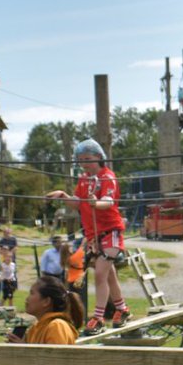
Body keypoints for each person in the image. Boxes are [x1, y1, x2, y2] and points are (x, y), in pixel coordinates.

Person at [45, 139, 131, 336]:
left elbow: (109, 201)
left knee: (100, 273)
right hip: (93, 235)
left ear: (99, 157)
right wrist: (63, 196)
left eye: (88, 159)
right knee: (109, 275)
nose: (84, 164)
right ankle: (122, 309)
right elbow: (77, 203)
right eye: (81, 160)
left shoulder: (108, 177)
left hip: (111, 231)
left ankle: (98, 317)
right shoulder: (83, 179)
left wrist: (96, 203)